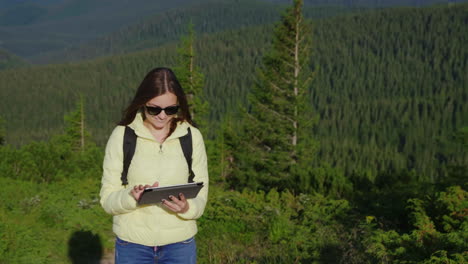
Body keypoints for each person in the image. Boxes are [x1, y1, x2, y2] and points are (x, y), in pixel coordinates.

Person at [99, 67, 209, 264]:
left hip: (180, 246)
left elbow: (201, 194)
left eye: (171, 109)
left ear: (179, 106)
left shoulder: (191, 136)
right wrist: (131, 197)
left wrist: (186, 208)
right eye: (154, 109)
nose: (162, 116)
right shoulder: (123, 135)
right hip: (132, 245)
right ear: (142, 104)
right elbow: (107, 200)